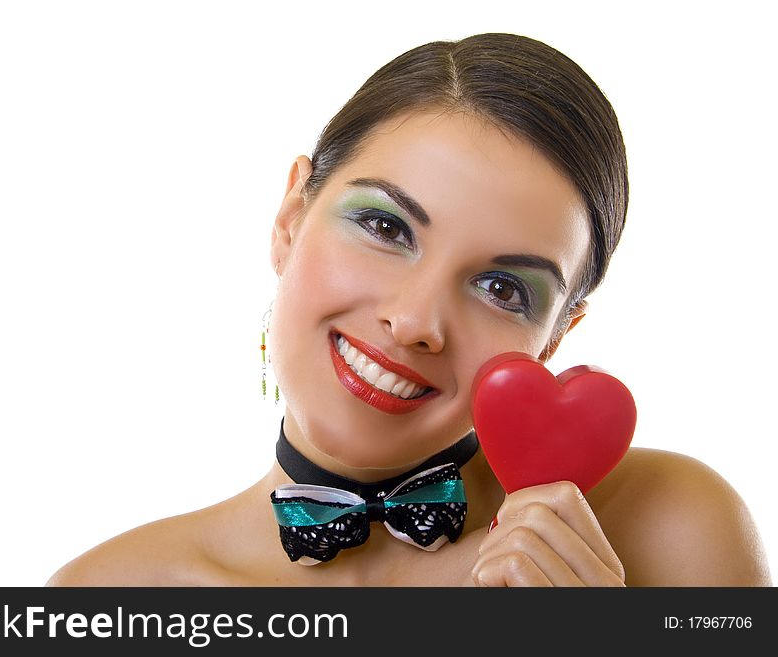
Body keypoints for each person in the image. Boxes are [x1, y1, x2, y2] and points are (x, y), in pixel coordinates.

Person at [47, 33, 771, 587]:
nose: (417, 322)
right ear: (291, 216)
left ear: (553, 339)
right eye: (388, 228)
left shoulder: (673, 527)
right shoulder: (109, 593)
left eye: (504, 289)